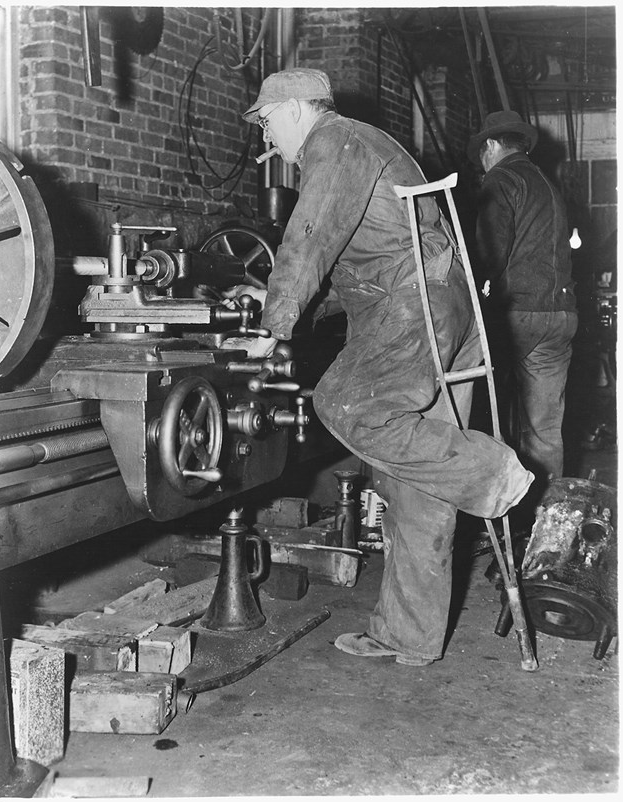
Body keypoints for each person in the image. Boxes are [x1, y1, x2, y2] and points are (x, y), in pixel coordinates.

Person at [224, 68, 533, 666]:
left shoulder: (333, 143)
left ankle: (491, 471)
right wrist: (295, 309)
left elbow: (310, 237)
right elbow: (355, 265)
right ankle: (408, 636)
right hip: (441, 306)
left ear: (292, 110)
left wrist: (274, 324)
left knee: (342, 403)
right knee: (415, 484)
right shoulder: (364, 144)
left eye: (267, 123)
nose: (269, 142)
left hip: (414, 309)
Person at [468, 111, 578, 516]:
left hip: (521, 316)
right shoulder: (549, 183)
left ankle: (505, 526)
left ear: (492, 146)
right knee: (545, 431)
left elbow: (488, 254)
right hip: (561, 316)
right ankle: (543, 534)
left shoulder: (501, 178)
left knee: (494, 422)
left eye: (481, 156)